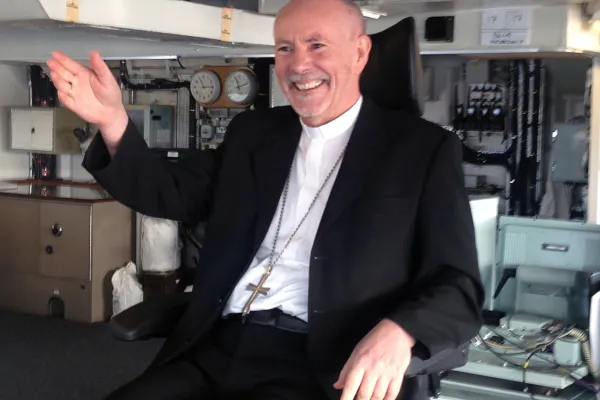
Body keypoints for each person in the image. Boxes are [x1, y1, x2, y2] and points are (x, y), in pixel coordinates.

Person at [47, 0, 484, 399]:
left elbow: (458, 285)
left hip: (321, 362)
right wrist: (113, 120)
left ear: (360, 52)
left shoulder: (422, 151)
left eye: (317, 46)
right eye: (285, 49)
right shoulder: (254, 134)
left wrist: (400, 332)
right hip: (219, 343)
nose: (299, 65)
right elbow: (171, 192)